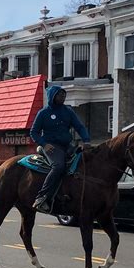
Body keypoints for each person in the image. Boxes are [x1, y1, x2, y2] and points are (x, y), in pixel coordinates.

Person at [30, 85, 91, 214]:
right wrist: (43, 144)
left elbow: (79, 127)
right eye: (59, 95)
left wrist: (86, 140)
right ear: (52, 96)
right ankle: (42, 197)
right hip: (51, 146)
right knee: (58, 166)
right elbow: (34, 132)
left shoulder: (68, 111)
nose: (63, 97)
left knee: (84, 161)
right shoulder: (43, 113)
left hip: (67, 145)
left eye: (64, 95)